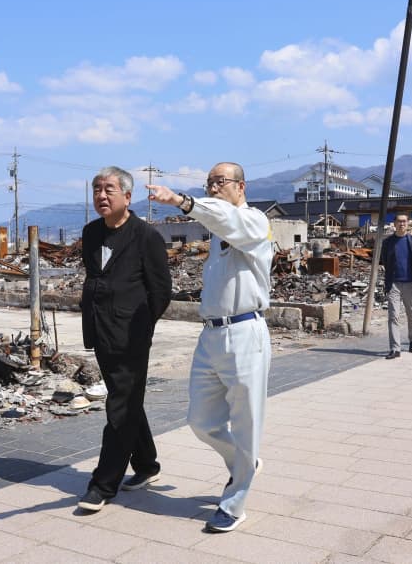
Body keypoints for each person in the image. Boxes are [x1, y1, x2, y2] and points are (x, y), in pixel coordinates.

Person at [147, 162, 272, 533]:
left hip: (245, 332)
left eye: (221, 182)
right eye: (210, 183)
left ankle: (234, 504)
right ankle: (244, 463)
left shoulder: (254, 222)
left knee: (247, 421)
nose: (214, 188)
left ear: (241, 186)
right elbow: (219, 219)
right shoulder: (218, 231)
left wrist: (182, 201)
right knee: (201, 421)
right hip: (211, 334)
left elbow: (227, 219)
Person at [77, 166, 172, 512]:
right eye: (97, 189)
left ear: (127, 197)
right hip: (100, 331)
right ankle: (146, 466)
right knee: (126, 398)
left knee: (119, 405)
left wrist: (142, 326)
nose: (102, 196)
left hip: (132, 335)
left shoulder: (145, 236)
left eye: (109, 190)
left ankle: (103, 484)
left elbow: (161, 291)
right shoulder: (90, 233)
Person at [380, 213, 412, 359]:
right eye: (399, 221)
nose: (401, 224)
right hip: (394, 284)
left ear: (408, 223)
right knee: (393, 316)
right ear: (394, 223)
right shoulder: (387, 243)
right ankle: (395, 348)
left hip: (411, 283)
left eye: (404, 221)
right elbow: (385, 261)